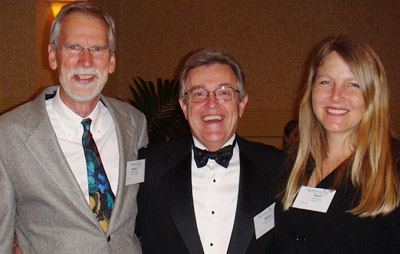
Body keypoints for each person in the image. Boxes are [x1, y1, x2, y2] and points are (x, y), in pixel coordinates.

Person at [0, 2, 148, 253]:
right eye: (73, 47)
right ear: (52, 55)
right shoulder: (9, 134)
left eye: (98, 49)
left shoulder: (134, 123)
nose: (86, 60)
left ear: (111, 61)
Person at [136, 49, 284, 254]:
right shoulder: (149, 166)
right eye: (198, 94)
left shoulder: (279, 167)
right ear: (184, 107)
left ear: (241, 104)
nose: (212, 104)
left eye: (224, 92)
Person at [275, 37, 400, 253]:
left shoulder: (394, 168)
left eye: (353, 84)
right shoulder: (291, 165)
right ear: (311, 89)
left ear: (372, 94)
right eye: (326, 82)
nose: (336, 96)